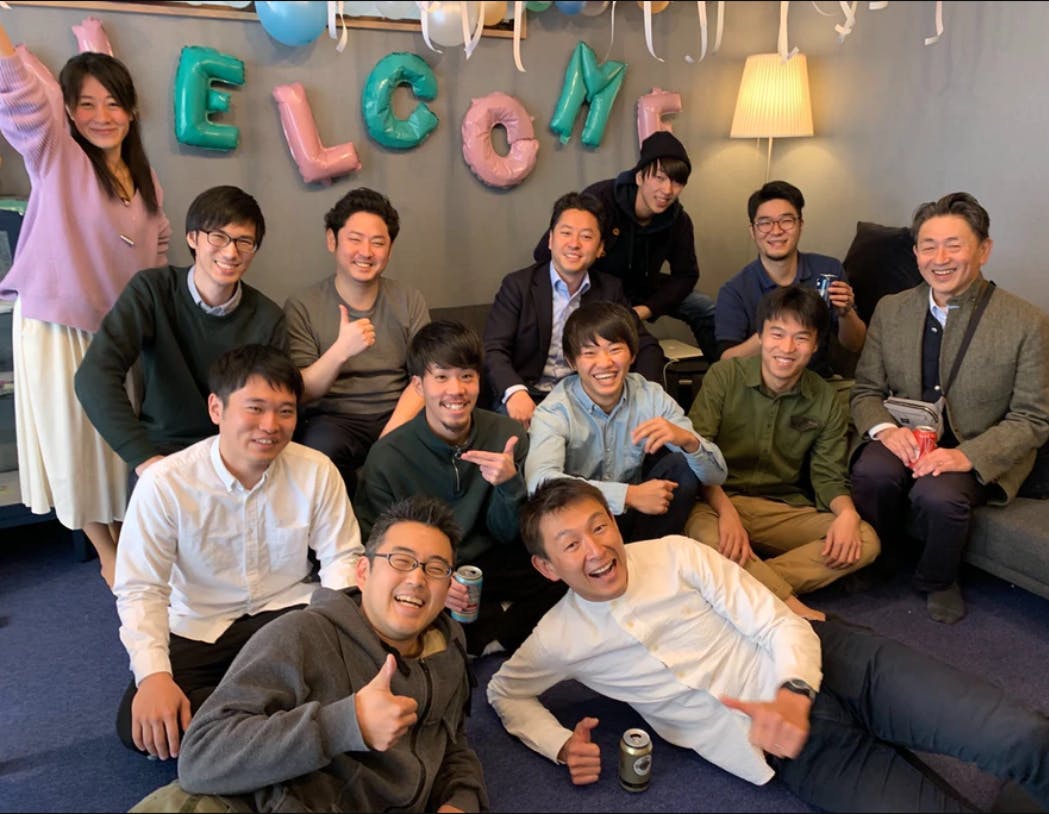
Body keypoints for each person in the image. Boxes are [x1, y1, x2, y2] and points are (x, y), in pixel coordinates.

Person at [487, 478, 1049, 812]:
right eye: (570, 544)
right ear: (547, 567)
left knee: (1023, 737)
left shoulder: (676, 553)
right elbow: (504, 693)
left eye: (599, 526)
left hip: (835, 662)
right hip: (781, 748)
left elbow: (778, 623)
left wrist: (793, 692)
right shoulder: (558, 637)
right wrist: (559, 744)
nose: (595, 549)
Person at [131, 495, 488, 814]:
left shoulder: (448, 646)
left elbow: (451, 740)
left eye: (435, 568)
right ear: (363, 572)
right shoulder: (301, 635)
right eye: (401, 560)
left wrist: (461, 801)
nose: (417, 579)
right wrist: (348, 723)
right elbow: (199, 759)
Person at [112, 344, 363, 760]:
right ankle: (291, 732)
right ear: (217, 408)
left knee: (361, 673)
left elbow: (342, 558)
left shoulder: (316, 470)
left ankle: (241, 739)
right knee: (140, 725)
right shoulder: (164, 484)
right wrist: (153, 677)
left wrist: (340, 637)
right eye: (255, 408)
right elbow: (142, 589)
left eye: (285, 411)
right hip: (199, 624)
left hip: (287, 614)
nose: (271, 425)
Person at [0, 25, 172, 587]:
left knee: (115, 442)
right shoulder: (58, 155)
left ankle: (124, 535)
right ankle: (105, 551)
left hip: (118, 331)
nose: (102, 116)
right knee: (75, 443)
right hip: (57, 325)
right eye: (87, 104)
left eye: (114, 103)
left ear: (132, 110)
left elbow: (158, 244)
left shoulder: (145, 179)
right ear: (70, 112)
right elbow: (20, 99)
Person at [850, 192, 1049, 624]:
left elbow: (1032, 418)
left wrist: (967, 456)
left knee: (938, 495)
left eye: (953, 246)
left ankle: (939, 579)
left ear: (983, 250)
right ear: (916, 253)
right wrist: (886, 431)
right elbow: (865, 390)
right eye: (928, 246)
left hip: (974, 444)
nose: (939, 259)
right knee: (872, 472)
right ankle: (877, 556)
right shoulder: (891, 309)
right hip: (904, 433)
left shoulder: (1026, 322)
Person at [355, 320, 565, 658]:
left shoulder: (506, 435)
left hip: (490, 559)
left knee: (561, 564)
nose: (456, 389)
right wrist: (435, 576)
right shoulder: (388, 457)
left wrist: (508, 484)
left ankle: (494, 635)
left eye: (467, 376)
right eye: (441, 377)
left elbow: (508, 532)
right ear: (418, 386)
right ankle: (489, 633)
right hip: (426, 564)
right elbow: (376, 545)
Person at [74, 185, 286, 498]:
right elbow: (94, 376)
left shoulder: (268, 318)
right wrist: (144, 459)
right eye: (218, 237)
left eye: (244, 242)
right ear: (192, 238)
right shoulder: (152, 291)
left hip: (238, 452)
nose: (231, 253)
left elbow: (272, 402)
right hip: (166, 451)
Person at [685, 285, 879, 619]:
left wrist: (847, 514)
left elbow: (828, 477)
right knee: (705, 535)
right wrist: (727, 512)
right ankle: (789, 605)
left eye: (801, 338)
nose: (787, 348)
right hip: (715, 502)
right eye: (777, 334)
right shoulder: (724, 377)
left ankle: (739, 584)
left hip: (778, 506)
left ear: (815, 345)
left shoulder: (824, 397)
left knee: (864, 539)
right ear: (760, 335)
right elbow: (697, 457)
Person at [526, 301, 726, 542]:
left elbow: (716, 476)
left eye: (615, 349)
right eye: (590, 353)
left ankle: (648, 553)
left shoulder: (650, 396)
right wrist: (628, 495)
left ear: (632, 355)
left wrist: (689, 441)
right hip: (579, 523)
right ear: (572, 362)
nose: (605, 363)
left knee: (682, 464)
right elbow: (539, 483)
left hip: (641, 517)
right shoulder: (555, 411)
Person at [284, 187, 429, 495]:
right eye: (355, 239)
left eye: (378, 242)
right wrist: (340, 351)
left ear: (389, 249)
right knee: (319, 451)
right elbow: (302, 391)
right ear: (332, 240)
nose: (366, 251)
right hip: (334, 419)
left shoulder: (409, 299)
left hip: (398, 413)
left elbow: (425, 378)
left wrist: (390, 436)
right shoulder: (303, 305)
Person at [484, 191, 666, 429]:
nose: (574, 244)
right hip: (527, 396)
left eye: (586, 236)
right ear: (550, 240)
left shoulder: (609, 290)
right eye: (566, 233)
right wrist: (514, 391)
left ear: (600, 248)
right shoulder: (518, 286)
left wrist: (646, 395)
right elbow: (493, 348)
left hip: (584, 399)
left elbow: (646, 346)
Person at [532, 132, 717, 360]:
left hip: (643, 287)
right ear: (639, 177)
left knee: (704, 307)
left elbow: (686, 276)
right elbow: (545, 253)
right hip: (597, 288)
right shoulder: (601, 199)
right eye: (659, 178)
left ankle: (721, 372)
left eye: (677, 182)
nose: (667, 190)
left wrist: (645, 310)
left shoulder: (678, 220)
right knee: (616, 337)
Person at [716, 180, 866, 377]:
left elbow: (856, 344)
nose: (776, 231)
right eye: (765, 223)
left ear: (800, 225)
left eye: (786, 221)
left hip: (819, 381)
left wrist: (846, 313)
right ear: (752, 231)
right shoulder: (735, 290)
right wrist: (774, 332)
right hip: (760, 386)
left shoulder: (828, 270)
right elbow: (727, 363)